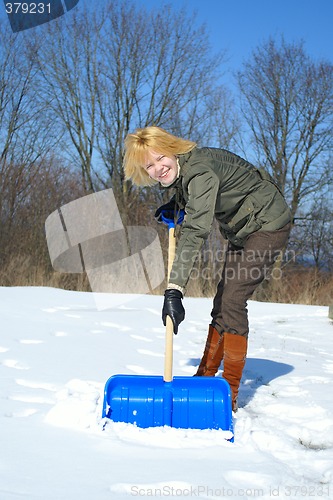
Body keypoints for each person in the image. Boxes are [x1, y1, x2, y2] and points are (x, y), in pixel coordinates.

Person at [123, 126, 291, 412]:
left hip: (267, 224)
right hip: (242, 230)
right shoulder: (184, 172)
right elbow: (194, 197)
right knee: (222, 302)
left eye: (160, 158)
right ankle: (205, 377)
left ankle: (229, 394)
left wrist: (174, 290)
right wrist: (177, 205)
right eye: (149, 165)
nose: (158, 168)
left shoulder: (199, 171)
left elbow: (195, 232)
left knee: (235, 299)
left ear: (173, 150)